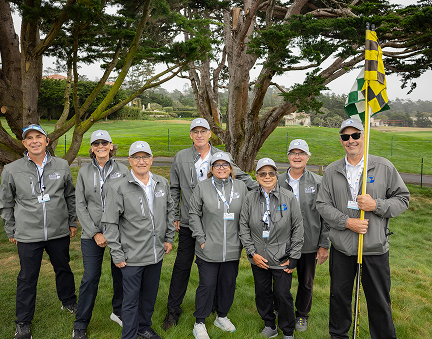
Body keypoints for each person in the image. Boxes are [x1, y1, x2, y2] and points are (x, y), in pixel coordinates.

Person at [316, 118, 410, 339]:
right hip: (342, 248)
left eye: (355, 135)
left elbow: (403, 199)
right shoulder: (331, 170)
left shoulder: (384, 167)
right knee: (339, 298)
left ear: (364, 136)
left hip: (374, 248)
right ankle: (338, 336)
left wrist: (376, 205)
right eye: (346, 137)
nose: (351, 140)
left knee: (378, 300)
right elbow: (322, 204)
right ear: (341, 141)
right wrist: (347, 222)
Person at [162, 118, 257, 330]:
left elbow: (240, 176)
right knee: (182, 267)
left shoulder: (221, 158)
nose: (199, 135)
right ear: (190, 135)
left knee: (217, 266)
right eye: (195, 131)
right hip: (189, 222)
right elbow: (174, 189)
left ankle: (215, 307)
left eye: (203, 131)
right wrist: (175, 215)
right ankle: (173, 310)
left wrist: (265, 188)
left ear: (209, 134)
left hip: (217, 224)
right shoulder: (181, 157)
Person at [0, 124, 77, 339]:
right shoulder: (12, 170)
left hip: (58, 231)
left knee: (63, 268)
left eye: (39, 137)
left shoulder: (61, 166)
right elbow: (6, 203)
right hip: (28, 234)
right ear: (24, 143)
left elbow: (70, 196)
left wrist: (72, 222)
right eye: (29, 138)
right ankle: (23, 322)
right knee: (27, 277)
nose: (34, 141)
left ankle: (69, 302)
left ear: (46, 141)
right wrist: (11, 228)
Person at [102, 141, 175, 339]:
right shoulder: (118, 187)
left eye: (145, 157)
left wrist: (169, 238)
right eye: (136, 157)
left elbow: (169, 211)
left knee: (149, 296)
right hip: (131, 255)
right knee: (131, 299)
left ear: (151, 159)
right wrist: (116, 253)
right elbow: (110, 222)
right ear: (130, 161)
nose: (141, 161)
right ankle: (130, 334)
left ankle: (144, 326)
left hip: (155, 252)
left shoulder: (162, 182)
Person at [72, 130, 129, 339]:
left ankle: (119, 311)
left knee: (121, 275)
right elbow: (80, 205)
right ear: (92, 148)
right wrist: (95, 232)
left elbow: (128, 201)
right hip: (91, 234)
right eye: (96, 143)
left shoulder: (123, 170)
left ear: (111, 145)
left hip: (118, 234)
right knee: (90, 278)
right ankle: (80, 323)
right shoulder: (84, 172)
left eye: (104, 142)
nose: (101, 146)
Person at [239, 158, 304, 339]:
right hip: (259, 257)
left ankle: (288, 331)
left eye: (271, 173)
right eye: (262, 173)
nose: (267, 177)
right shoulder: (249, 198)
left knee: (283, 294)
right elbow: (243, 227)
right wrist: (252, 253)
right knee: (262, 293)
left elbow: (298, 227)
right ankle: (269, 324)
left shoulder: (289, 197)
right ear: (257, 176)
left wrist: (294, 257)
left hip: (282, 257)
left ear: (276, 175)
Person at [188, 152, 248, 339]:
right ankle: (199, 322)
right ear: (211, 169)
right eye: (217, 165)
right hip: (208, 248)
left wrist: (242, 240)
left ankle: (221, 316)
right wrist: (201, 238)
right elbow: (193, 214)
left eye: (225, 165)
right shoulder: (202, 187)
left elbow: (246, 215)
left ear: (231, 168)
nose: (221, 168)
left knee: (228, 284)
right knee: (206, 285)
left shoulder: (241, 186)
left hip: (232, 248)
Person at [277, 139, 329, 332]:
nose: (297, 157)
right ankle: (280, 310)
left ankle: (302, 315)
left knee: (306, 282)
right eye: (293, 153)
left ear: (308, 157)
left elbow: (326, 216)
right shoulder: (277, 181)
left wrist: (324, 245)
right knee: (281, 281)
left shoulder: (319, 182)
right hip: (282, 244)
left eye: (301, 153)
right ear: (288, 156)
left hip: (309, 243)